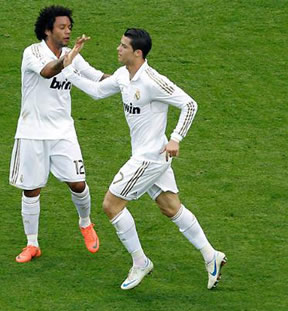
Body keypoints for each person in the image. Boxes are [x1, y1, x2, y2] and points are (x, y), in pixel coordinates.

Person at [62, 29, 226, 289]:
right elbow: (96, 91)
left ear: (137, 53)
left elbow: (189, 104)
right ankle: (211, 255)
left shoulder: (151, 80)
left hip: (149, 158)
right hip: (149, 156)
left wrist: (176, 138)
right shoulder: (123, 76)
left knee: (111, 205)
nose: (118, 48)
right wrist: (70, 68)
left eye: (123, 46)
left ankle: (140, 262)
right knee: (171, 207)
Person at [9, 6, 108, 263]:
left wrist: (130, 78)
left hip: (63, 132)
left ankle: (85, 223)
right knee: (31, 190)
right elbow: (47, 71)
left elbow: (97, 78)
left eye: (69, 28)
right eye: (62, 27)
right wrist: (69, 58)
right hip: (32, 132)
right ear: (47, 30)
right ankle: (32, 244)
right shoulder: (32, 52)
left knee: (78, 183)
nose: (67, 32)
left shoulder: (71, 54)